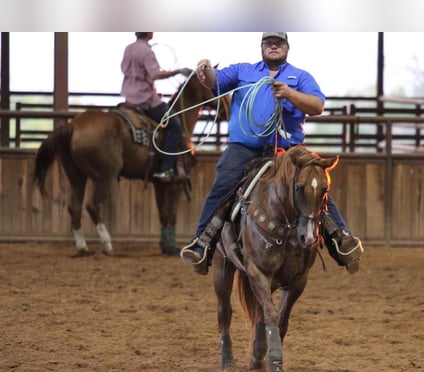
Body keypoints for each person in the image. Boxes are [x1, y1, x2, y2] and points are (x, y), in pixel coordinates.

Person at [179, 32, 363, 274]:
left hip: (288, 151)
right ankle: (202, 243)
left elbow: (317, 106)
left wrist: (289, 94)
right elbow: (214, 81)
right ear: (262, 47)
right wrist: (205, 67)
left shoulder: (301, 77)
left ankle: (341, 239)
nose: (273, 46)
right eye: (269, 43)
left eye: (278, 43)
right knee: (223, 185)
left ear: (287, 47)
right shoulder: (242, 71)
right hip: (244, 147)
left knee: (313, 185)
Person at [121, 32, 191, 181]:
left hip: (128, 96)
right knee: (174, 125)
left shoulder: (129, 48)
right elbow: (155, 74)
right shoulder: (147, 51)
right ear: (148, 33)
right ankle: (166, 169)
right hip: (144, 98)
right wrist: (177, 71)